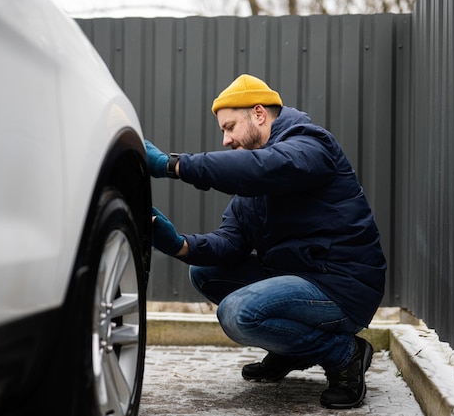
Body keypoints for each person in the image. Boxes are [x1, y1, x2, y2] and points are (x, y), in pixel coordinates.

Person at [145, 74, 386, 409]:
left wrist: (174, 166)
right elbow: (230, 242)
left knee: (239, 313)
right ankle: (291, 349)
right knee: (204, 271)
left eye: (229, 127)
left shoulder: (311, 144)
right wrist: (178, 245)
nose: (226, 140)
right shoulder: (253, 180)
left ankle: (345, 355)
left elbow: (264, 168)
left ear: (258, 114)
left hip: (342, 286)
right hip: (298, 280)